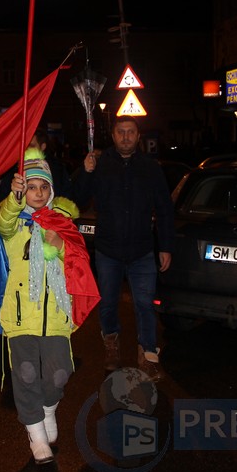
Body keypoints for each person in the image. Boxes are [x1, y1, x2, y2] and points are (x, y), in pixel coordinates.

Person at [0, 149, 86, 465]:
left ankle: (49, 409)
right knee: (27, 373)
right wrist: (14, 198)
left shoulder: (62, 223)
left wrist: (59, 244)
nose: (37, 193)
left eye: (43, 187)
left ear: (51, 191)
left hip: (57, 317)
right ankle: (36, 437)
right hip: (21, 316)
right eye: (31, 187)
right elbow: (3, 221)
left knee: (60, 373)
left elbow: (78, 262)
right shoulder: (14, 223)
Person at [72, 115, 174, 381]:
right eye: (121, 132)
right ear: (113, 135)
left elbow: (164, 209)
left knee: (144, 304)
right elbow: (76, 199)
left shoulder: (150, 168)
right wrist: (86, 170)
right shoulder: (100, 163)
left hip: (142, 250)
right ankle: (111, 346)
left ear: (138, 137)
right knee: (107, 303)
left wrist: (165, 246)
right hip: (109, 250)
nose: (126, 136)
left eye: (131, 132)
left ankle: (149, 355)